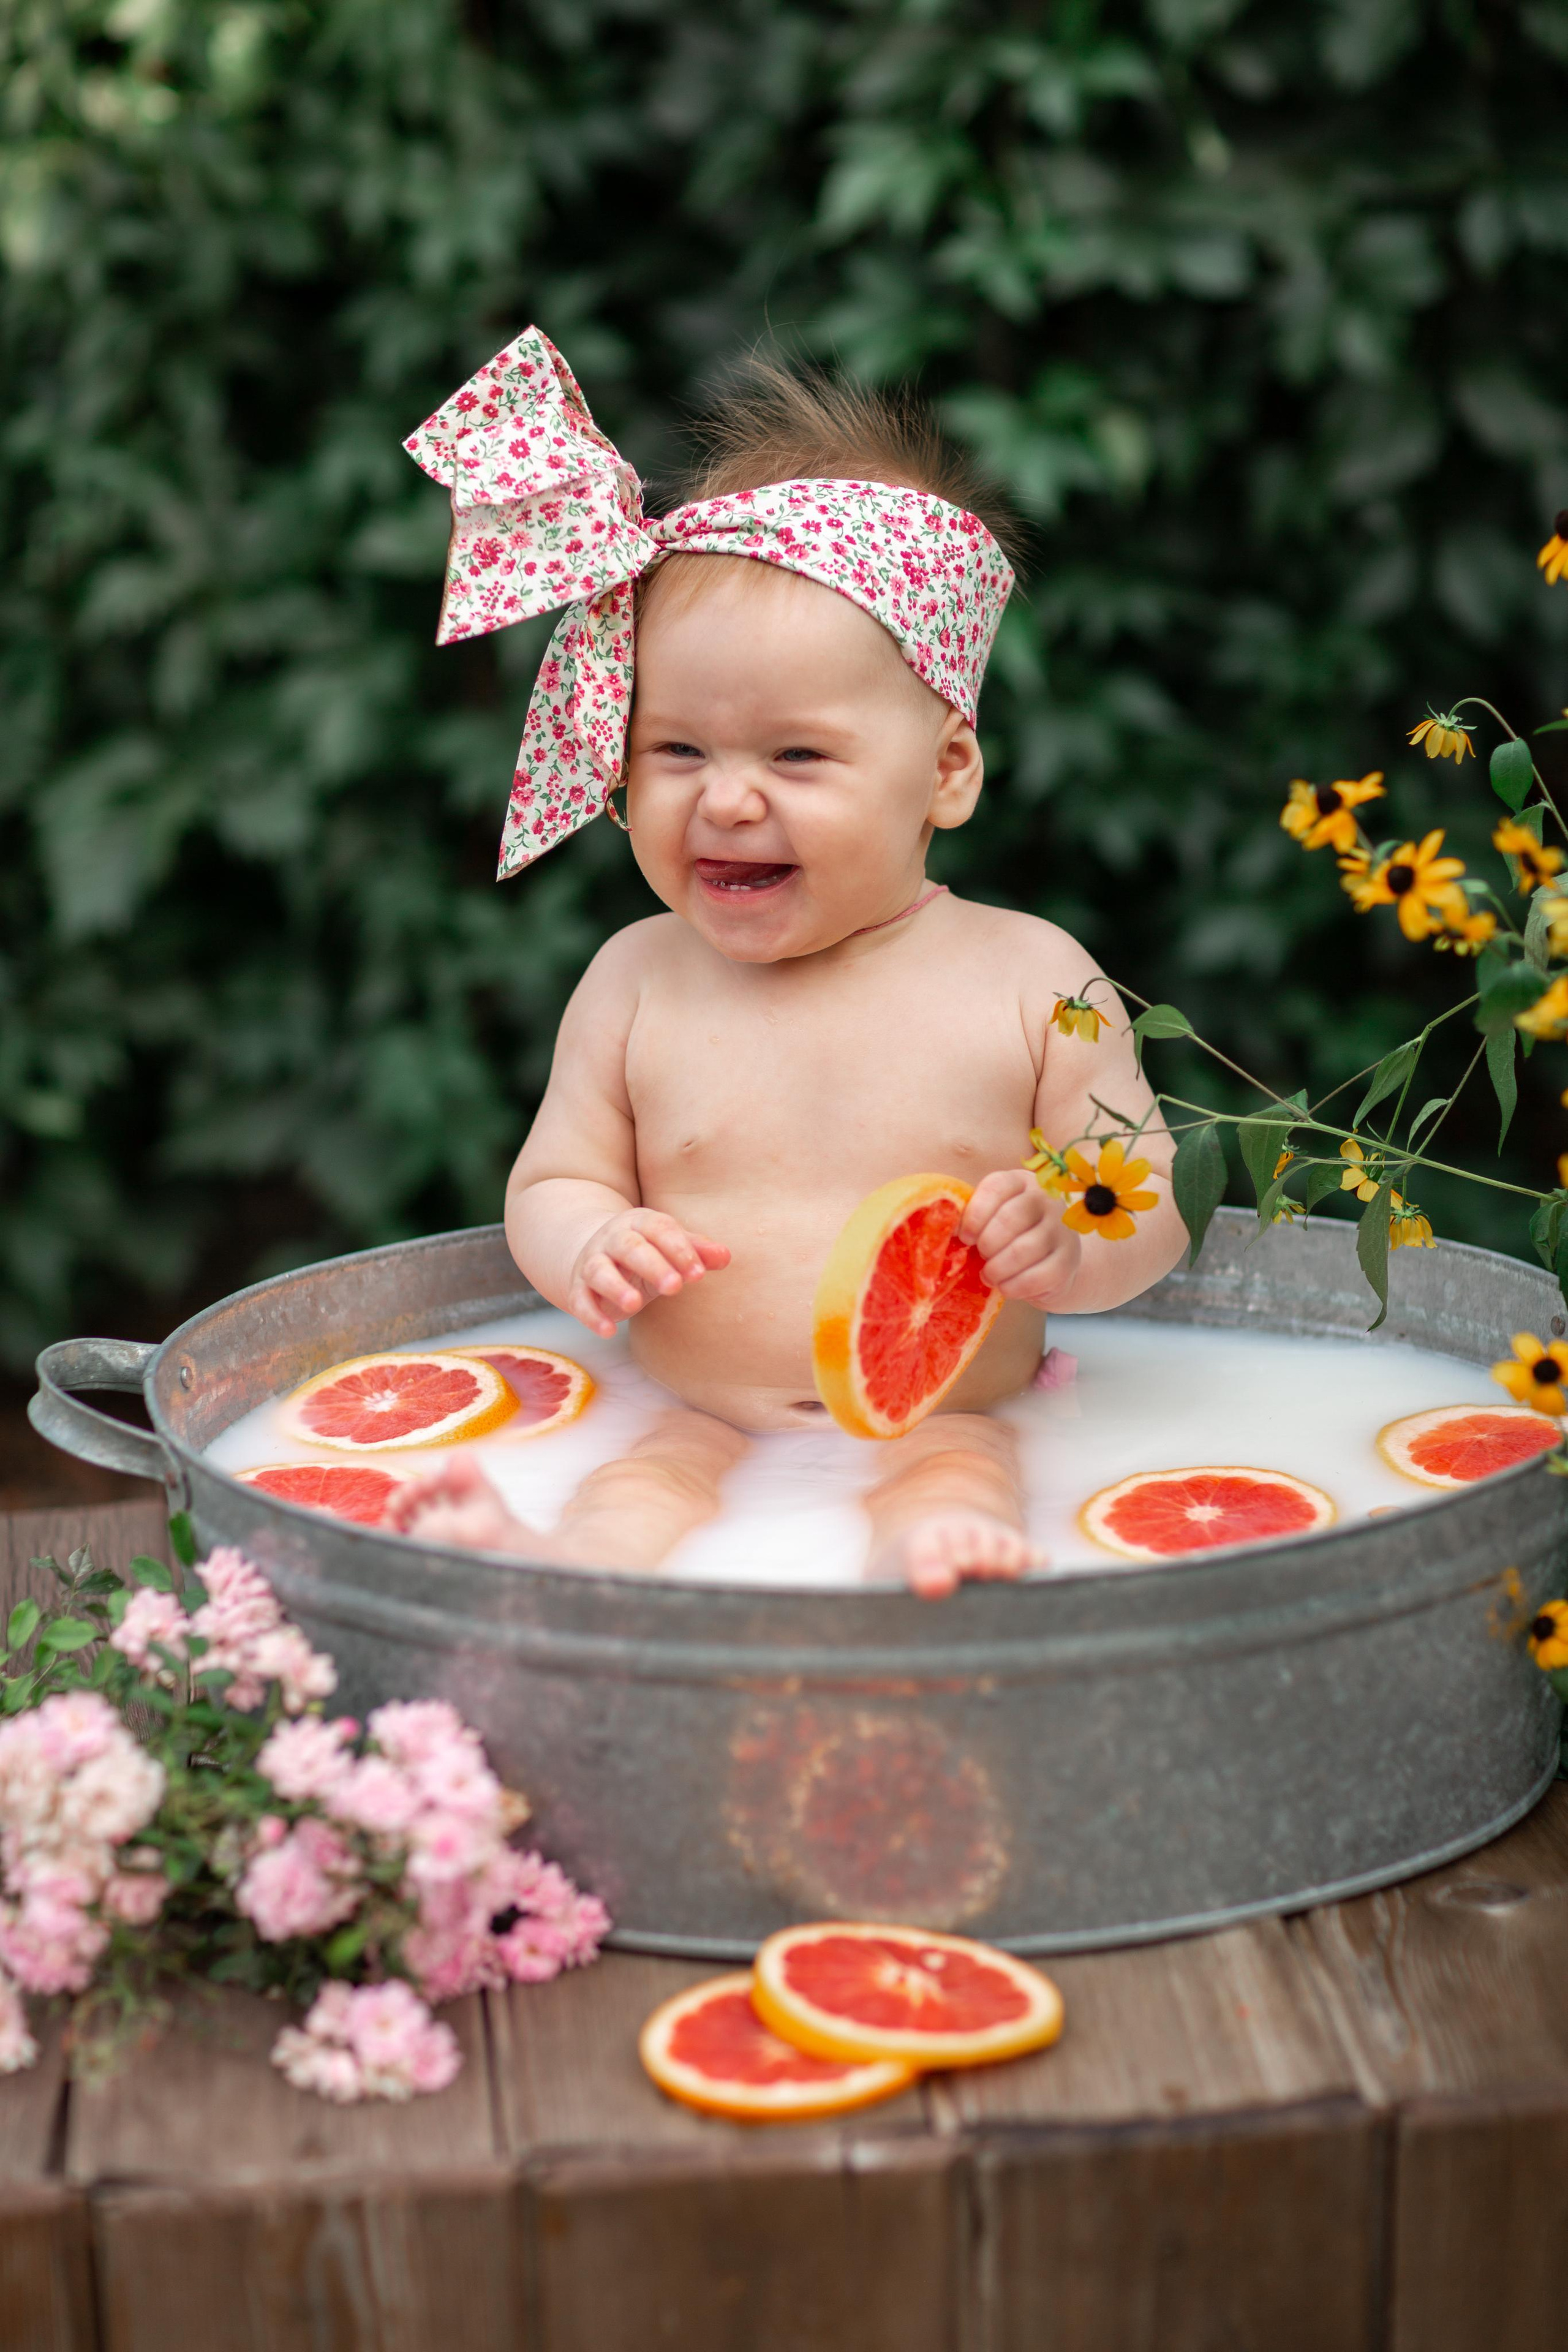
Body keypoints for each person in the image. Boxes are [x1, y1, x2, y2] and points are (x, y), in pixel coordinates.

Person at [387, 330, 1188, 1596]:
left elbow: (1148, 1202)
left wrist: (1072, 1248)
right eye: (677, 751)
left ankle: (930, 1563)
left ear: (946, 772)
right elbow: (553, 1180)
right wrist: (589, 1240)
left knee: (957, 1474)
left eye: (796, 756)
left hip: (943, 1409)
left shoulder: (1033, 979)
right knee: (639, 1484)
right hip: (694, 1408)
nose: (726, 800)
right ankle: (566, 1574)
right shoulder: (636, 980)